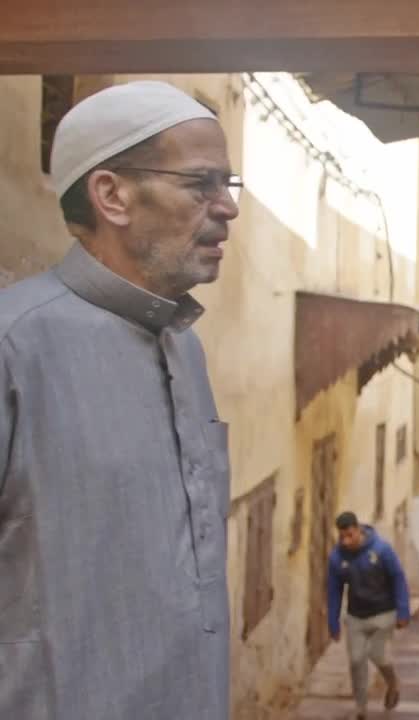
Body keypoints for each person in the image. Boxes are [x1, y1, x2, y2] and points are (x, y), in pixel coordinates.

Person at [0, 80, 240, 720]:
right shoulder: (14, 345)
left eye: (228, 185)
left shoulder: (185, 349)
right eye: (200, 185)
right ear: (112, 195)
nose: (227, 208)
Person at [327, 510, 412, 719]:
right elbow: (334, 590)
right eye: (342, 537)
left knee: (377, 654)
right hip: (356, 616)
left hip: (383, 613)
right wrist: (333, 622)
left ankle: (393, 683)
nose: (346, 541)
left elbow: (398, 578)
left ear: (358, 530)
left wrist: (403, 611)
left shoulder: (381, 550)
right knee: (356, 660)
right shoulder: (338, 558)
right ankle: (361, 708)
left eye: (350, 535)